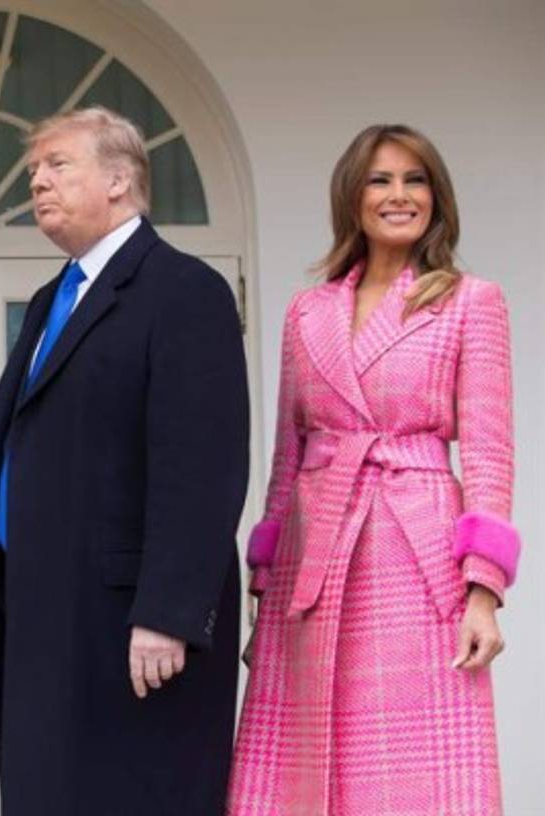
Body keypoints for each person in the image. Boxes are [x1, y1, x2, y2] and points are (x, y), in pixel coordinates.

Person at [229, 124, 518, 815]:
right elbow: (287, 456)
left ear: (436, 198)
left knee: (418, 774)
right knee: (298, 764)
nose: (399, 195)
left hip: (416, 558)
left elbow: (487, 448)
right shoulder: (309, 312)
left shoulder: (470, 300)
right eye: (380, 180)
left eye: (415, 180)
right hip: (316, 552)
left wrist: (484, 591)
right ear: (351, 198)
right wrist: (264, 589)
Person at [0, 106, 250, 814]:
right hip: (41, 614)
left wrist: (169, 609)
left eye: (58, 165)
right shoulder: (48, 302)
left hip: (134, 624)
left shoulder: (183, 290)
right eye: (33, 170)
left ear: (121, 179)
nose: (37, 181)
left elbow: (205, 462)